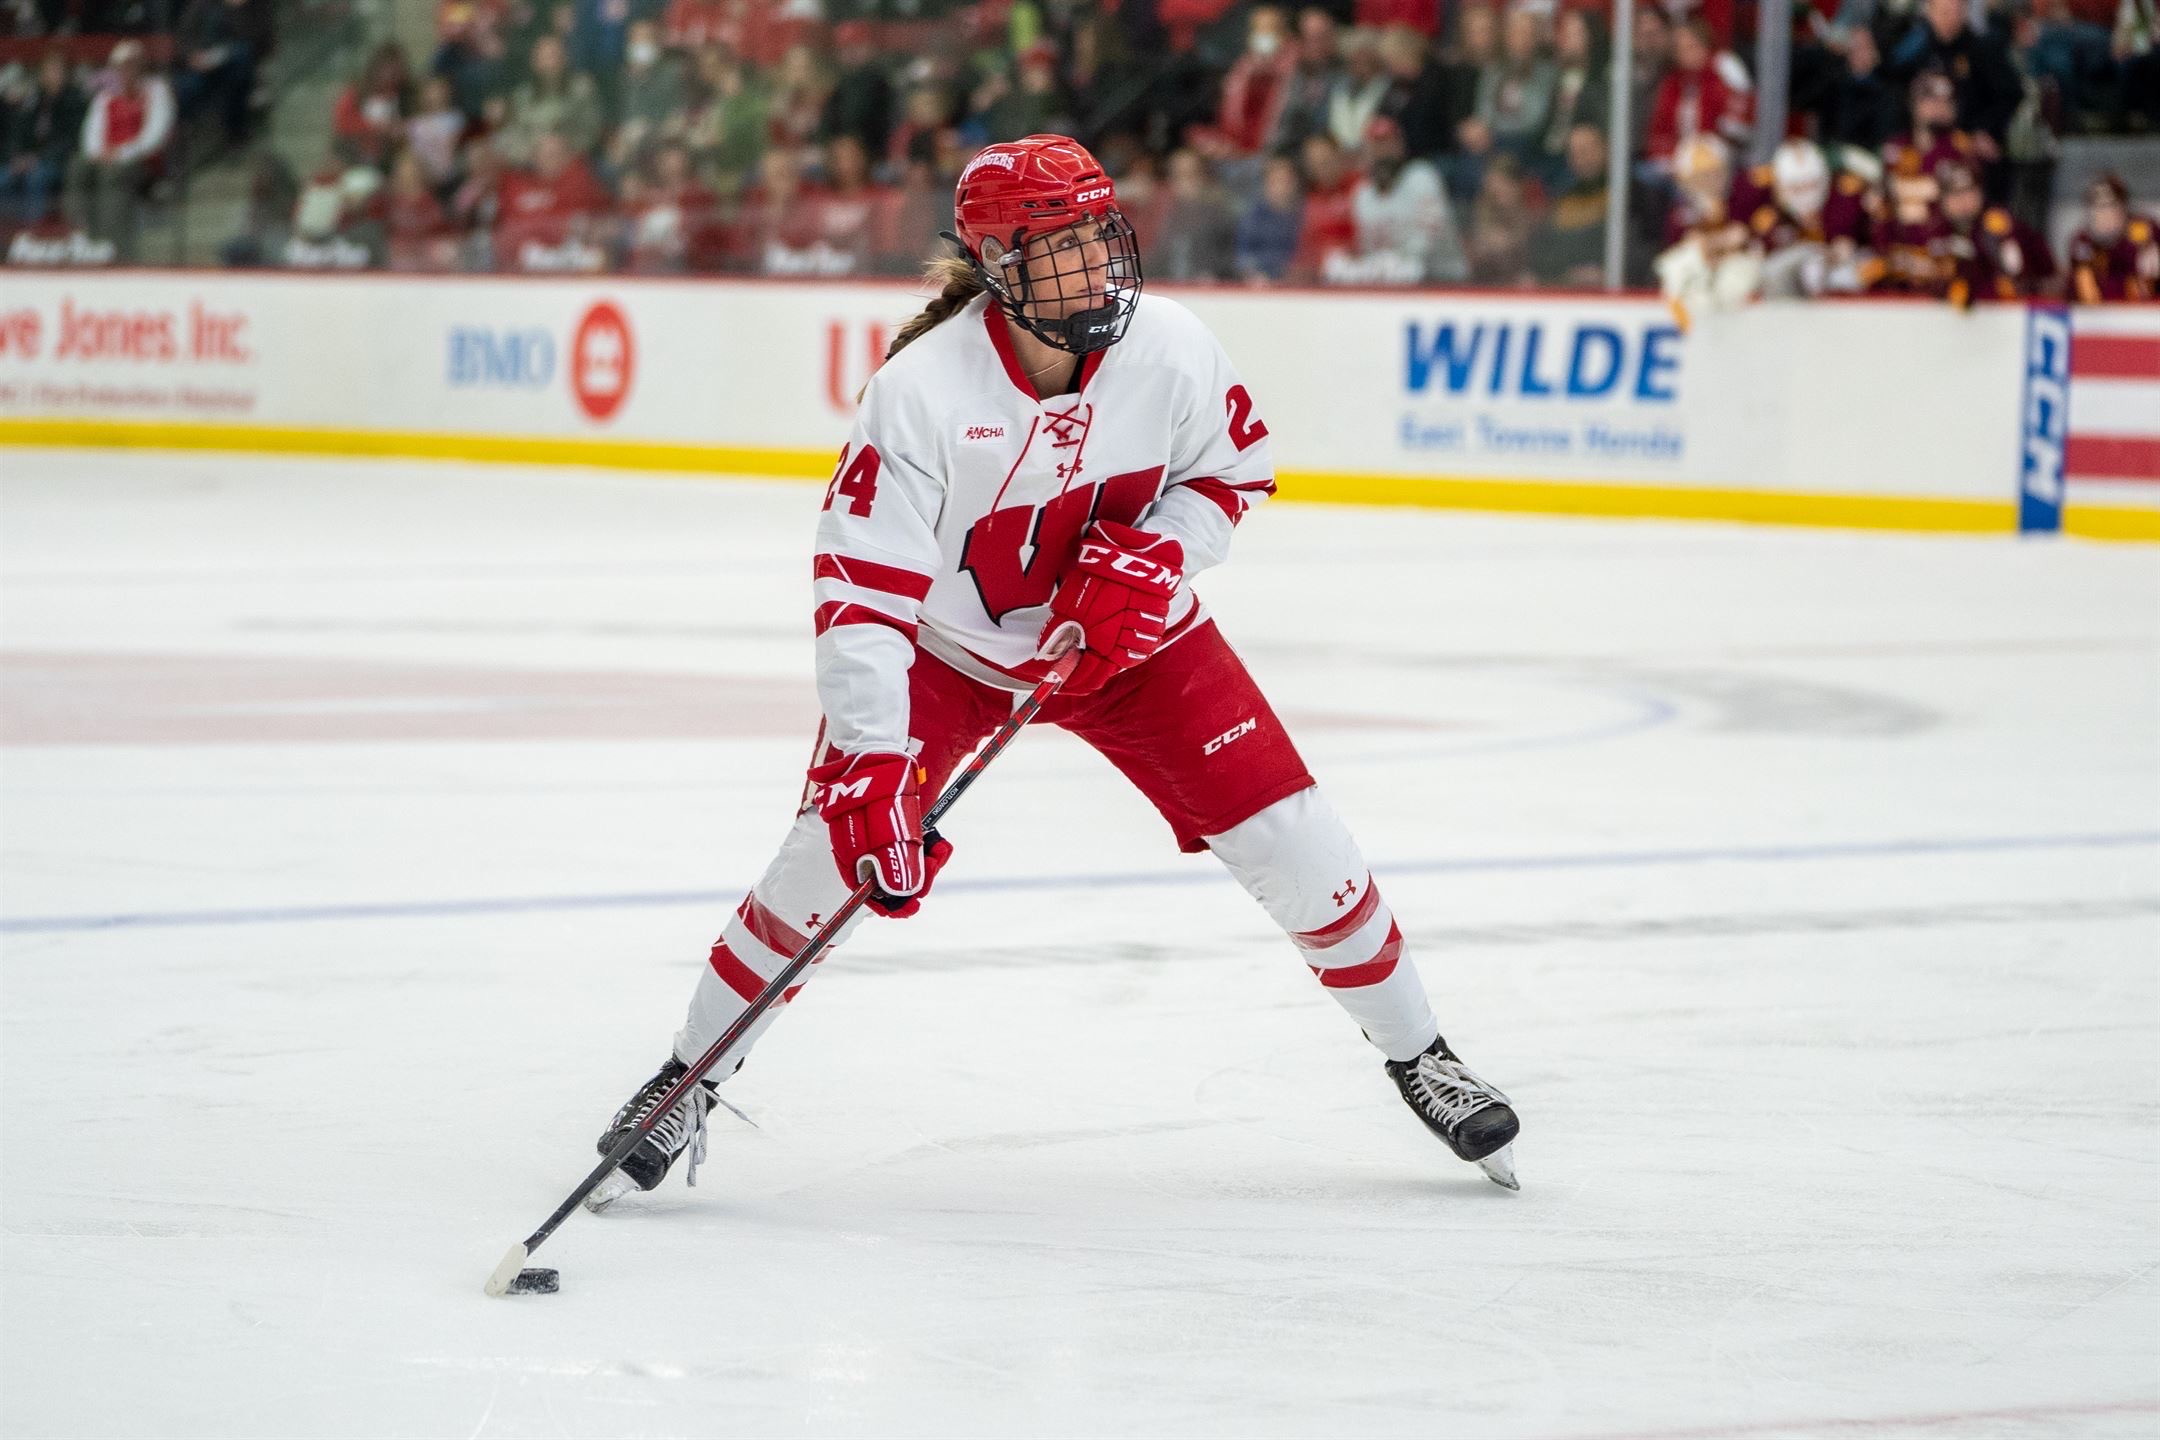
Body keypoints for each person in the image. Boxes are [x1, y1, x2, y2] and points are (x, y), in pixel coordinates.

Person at [583, 132, 1523, 1212]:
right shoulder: (922, 392)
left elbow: (1233, 475)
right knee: (823, 858)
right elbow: (862, 603)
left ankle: (1424, 1055)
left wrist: (1160, 554)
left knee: (1294, 836)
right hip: (953, 655)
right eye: (1058, 246)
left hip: (1136, 647)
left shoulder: (1170, 347)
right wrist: (874, 760)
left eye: (1098, 238)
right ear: (996, 264)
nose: (1095, 267)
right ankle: (686, 1081)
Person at [79, 40, 175, 263]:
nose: (125, 72)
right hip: (108, 159)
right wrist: (98, 154)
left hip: (143, 163)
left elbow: (154, 136)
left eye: (131, 66)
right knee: (79, 169)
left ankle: (116, 247)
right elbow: (91, 133)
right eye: (121, 67)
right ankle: (83, 236)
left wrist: (121, 154)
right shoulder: (106, 97)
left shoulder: (157, 91)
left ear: (141, 67)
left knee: (113, 175)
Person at [2, 50, 85, 226]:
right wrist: (16, 157)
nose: (52, 75)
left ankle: (34, 232)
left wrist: (37, 159)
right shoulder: (34, 99)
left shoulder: (74, 100)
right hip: (26, 160)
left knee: (36, 177)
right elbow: (18, 132)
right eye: (48, 70)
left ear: (66, 74)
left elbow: (71, 140)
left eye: (57, 70)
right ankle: (7, 235)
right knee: (4, 178)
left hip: (57, 161)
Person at [2066, 173, 2159, 302]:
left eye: (2110, 205)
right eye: (2096, 206)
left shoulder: (2144, 229)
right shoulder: (2083, 242)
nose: (2103, 214)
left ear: (2123, 206)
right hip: (2106, 315)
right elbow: (2086, 293)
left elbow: (2148, 283)